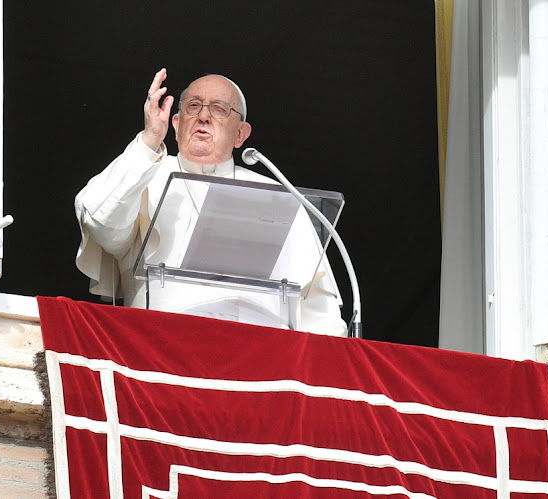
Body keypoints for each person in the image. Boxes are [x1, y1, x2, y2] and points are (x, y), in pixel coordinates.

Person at [75, 68, 348, 336]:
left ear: (241, 134)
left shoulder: (277, 194)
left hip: (261, 358)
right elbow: (101, 222)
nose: (203, 116)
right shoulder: (143, 173)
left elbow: (318, 311)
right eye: (193, 107)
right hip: (160, 347)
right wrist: (149, 141)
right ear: (177, 125)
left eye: (219, 109)